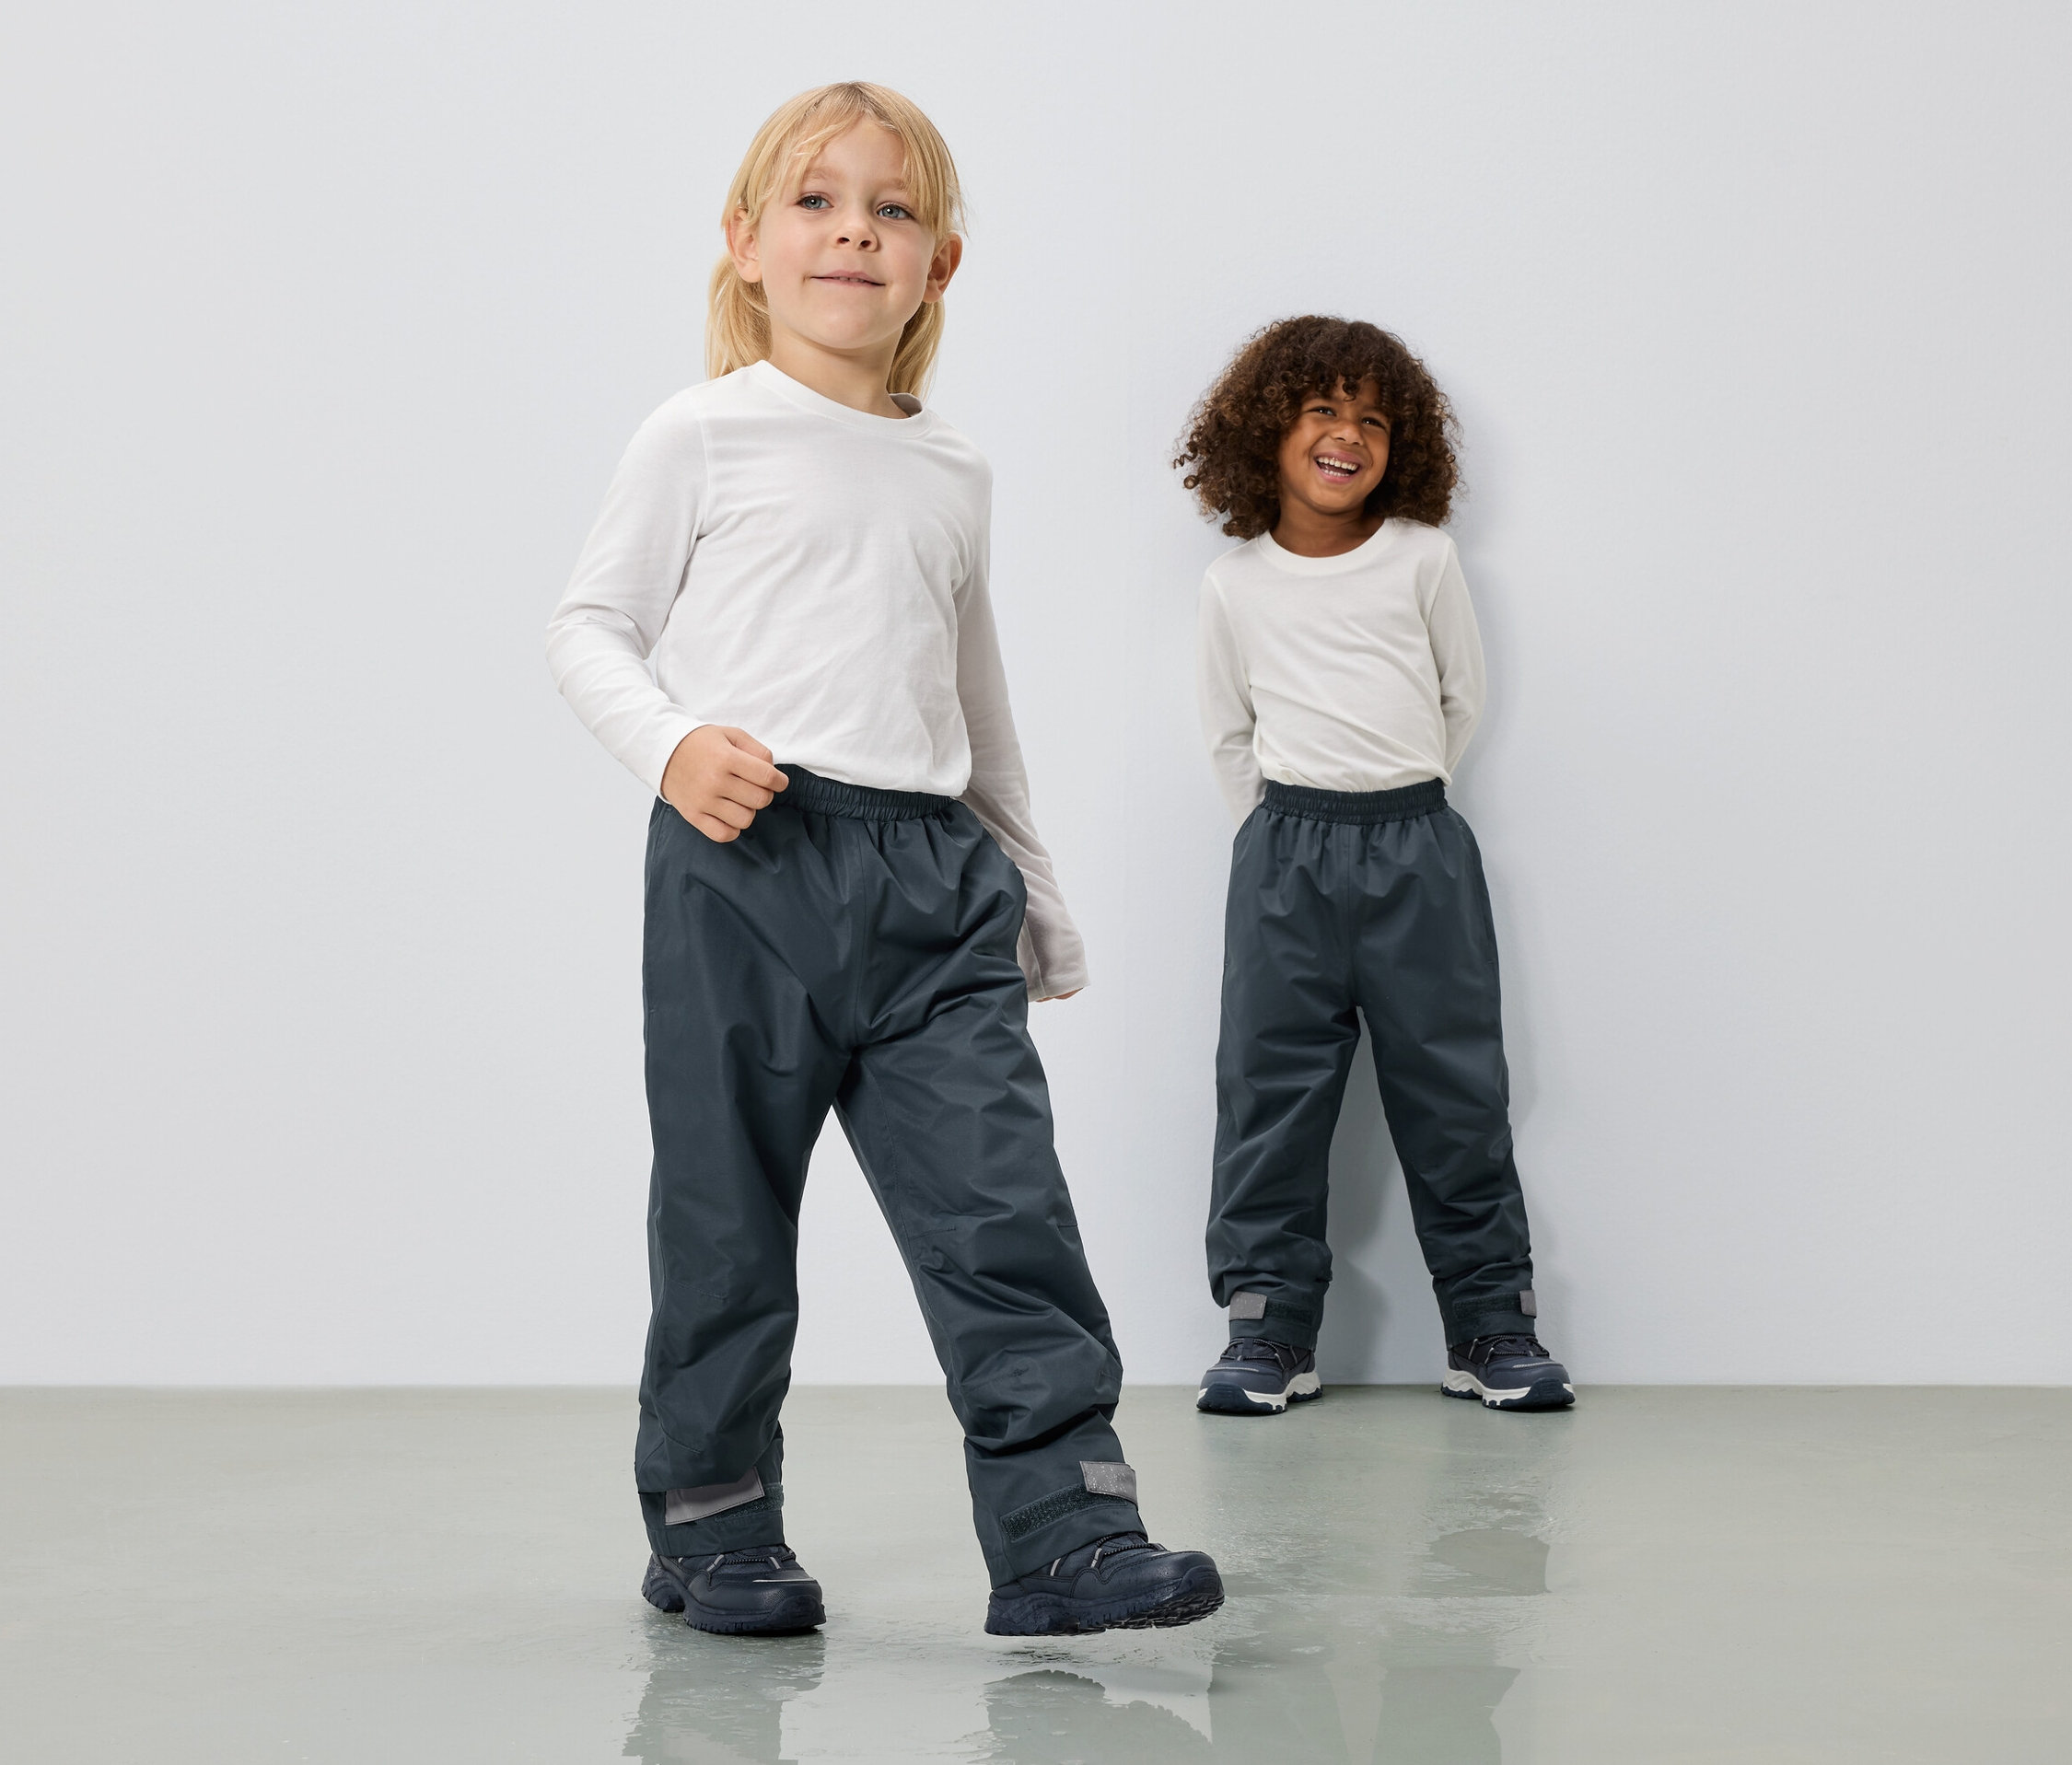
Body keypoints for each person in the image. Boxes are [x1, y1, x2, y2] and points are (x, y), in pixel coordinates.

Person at [546, 82, 1220, 1637]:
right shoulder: (700, 432)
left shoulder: (952, 472)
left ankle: (1062, 1529)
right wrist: (669, 745)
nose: (856, 227)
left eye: (894, 208)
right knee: (726, 1219)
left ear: (942, 264)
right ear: (747, 244)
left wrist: (1035, 895)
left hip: (933, 885)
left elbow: (976, 703)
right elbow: (587, 627)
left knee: (1005, 1217)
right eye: (817, 200)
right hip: (745, 871)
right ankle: (713, 1524)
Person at [1175, 316, 1574, 1418]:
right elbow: (1227, 732)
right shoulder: (1235, 585)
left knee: (1455, 1090)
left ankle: (1490, 1325)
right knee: (1269, 1092)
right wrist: (1284, 833)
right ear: (1269, 431)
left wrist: (1396, 802)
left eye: (1373, 420)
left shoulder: (1423, 560)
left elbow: (1461, 700)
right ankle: (1268, 1330)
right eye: (1322, 412)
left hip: (1417, 850)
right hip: (1284, 858)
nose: (1348, 436)